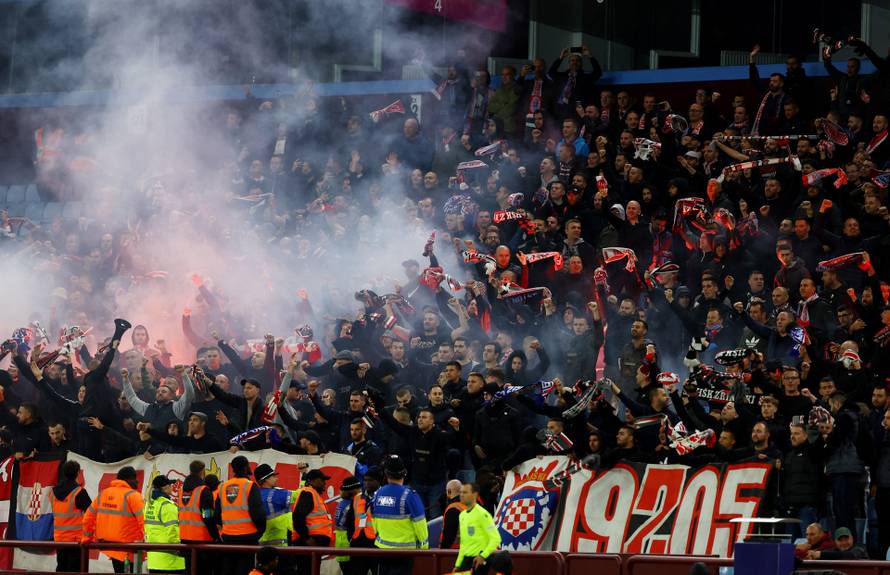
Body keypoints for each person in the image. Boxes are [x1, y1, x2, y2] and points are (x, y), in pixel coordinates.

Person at [371, 455, 429, 575]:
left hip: (382, 550)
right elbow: (420, 523)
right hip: (404, 553)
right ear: (404, 474)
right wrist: (424, 547)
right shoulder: (409, 495)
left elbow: (374, 521)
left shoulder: (377, 494)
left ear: (386, 474)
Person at [82, 465, 144, 573]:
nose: (137, 481)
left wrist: (87, 539)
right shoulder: (134, 496)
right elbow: (144, 522)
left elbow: (87, 518)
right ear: (127, 479)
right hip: (129, 550)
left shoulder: (103, 494)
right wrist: (147, 544)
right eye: (135, 478)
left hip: (111, 547)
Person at [215, 455, 265, 575]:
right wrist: (260, 532)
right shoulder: (250, 486)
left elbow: (216, 515)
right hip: (248, 538)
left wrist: (223, 533)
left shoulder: (222, 487)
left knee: (228, 571)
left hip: (228, 538)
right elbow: (258, 514)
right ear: (245, 467)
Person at [51, 460, 91, 572]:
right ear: (78, 473)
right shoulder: (79, 492)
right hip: (75, 540)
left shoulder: (53, 492)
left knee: (61, 568)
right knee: (75, 570)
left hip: (59, 539)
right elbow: (91, 512)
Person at [291, 468, 334, 574]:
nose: (325, 483)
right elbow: (297, 516)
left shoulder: (314, 494)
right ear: (311, 481)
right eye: (321, 480)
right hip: (307, 545)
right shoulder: (308, 493)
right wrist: (307, 538)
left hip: (311, 546)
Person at [178, 460, 218, 575]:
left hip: (185, 539)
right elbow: (208, 516)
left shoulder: (181, 491)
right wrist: (215, 535)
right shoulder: (203, 491)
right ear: (202, 472)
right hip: (202, 541)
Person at [453, 482, 502, 574]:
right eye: (461, 492)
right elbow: (463, 543)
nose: (461, 495)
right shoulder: (462, 515)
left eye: (465, 492)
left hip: (479, 560)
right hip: (466, 560)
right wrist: (458, 564)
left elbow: (496, 539)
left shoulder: (483, 514)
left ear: (475, 494)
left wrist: (483, 556)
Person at [143, 474, 185, 574]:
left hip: (154, 560)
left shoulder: (149, 504)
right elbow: (172, 531)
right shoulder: (167, 505)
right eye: (170, 485)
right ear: (165, 488)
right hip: (170, 561)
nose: (172, 487)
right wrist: (180, 548)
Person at [440, 479, 465, 550]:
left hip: (454, 552)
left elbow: (449, 535)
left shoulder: (453, 509)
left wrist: (442, 550)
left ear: (449, 491)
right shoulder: (469, 505)